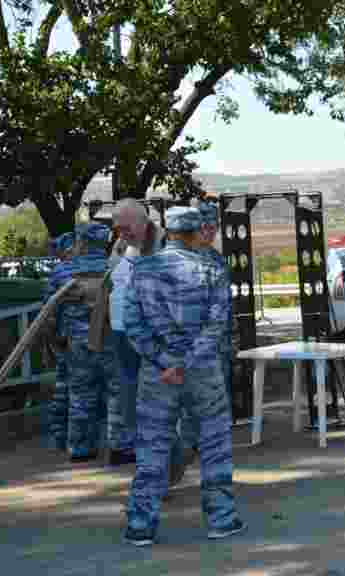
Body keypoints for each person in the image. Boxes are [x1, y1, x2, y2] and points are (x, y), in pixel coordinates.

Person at [122, 206, 244, 546]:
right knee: (214, 444)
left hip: (157, 375)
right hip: (203, 371)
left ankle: (140, 523)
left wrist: (165, 361)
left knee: (153, 446)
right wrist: (187, 362)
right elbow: (217, 325)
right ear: (193, 232)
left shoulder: (142, 269)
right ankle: (221, 518)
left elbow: (133, 326)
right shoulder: (211, 269)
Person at [48, 223, 124, 463]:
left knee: (80, 394)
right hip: (112, 340)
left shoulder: (63, 272)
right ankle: (118, 445)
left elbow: (49, 313)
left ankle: (81, 447)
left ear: (81, 242)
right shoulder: (117, 269)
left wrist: (56, 343)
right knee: (117, 392)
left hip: (77, 343)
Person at [167, 199, 229, 488]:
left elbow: (222, 312)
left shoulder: (216, 260)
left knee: (204, 421)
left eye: (214, 226)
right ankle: (168, 475)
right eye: (205, 226)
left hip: (211, 353)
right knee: (182, 421)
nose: (210, 231)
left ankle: (201, 479)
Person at [107, 200, 167, 466]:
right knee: (128, 390)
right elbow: (113, 277)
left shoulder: (167, 243)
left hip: (154, 331)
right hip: (122, 329)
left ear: (143, 221)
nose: (122, 233)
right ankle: (134, 446)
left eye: (126, 227)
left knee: (157, 391)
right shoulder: (121, 243)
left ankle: (162, 453)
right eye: (117, 228)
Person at [44, 232, 75, 453]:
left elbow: (48, 309)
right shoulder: (100, 267)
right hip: (98, 337)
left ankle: (59, 436)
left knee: (64, 388)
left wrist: (52, 338)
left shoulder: (58, 272)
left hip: (66, 337)